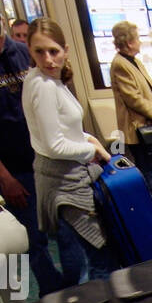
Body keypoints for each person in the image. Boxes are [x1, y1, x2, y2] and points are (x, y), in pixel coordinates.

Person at [22, 17, 115, 283]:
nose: (49, 59)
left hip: (64, 176)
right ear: (29, 50)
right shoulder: (43, 85)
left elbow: (64, 131)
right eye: (39, 51)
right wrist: (92, 151)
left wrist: (90, 140)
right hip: (64, 180)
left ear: (65, 49)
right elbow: (55, 144)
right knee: (97, 257)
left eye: (54, 51)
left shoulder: (46, 80)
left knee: (88, 255)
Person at [0, 0, 67, 295]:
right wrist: (4, 178)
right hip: (14, 169)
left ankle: (69, 288)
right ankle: (53, 293)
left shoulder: (23, 53)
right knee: (33, 240)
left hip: (49, 160)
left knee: (67, 233)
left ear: (3, 24)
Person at [109, 20, 152, 222]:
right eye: (137, 38)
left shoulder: (134, 61)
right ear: (129, 42)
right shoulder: (120, 64)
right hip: (138, 129)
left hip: (149, 127)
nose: (139, 42)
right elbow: (134, 99)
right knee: (147, 172)